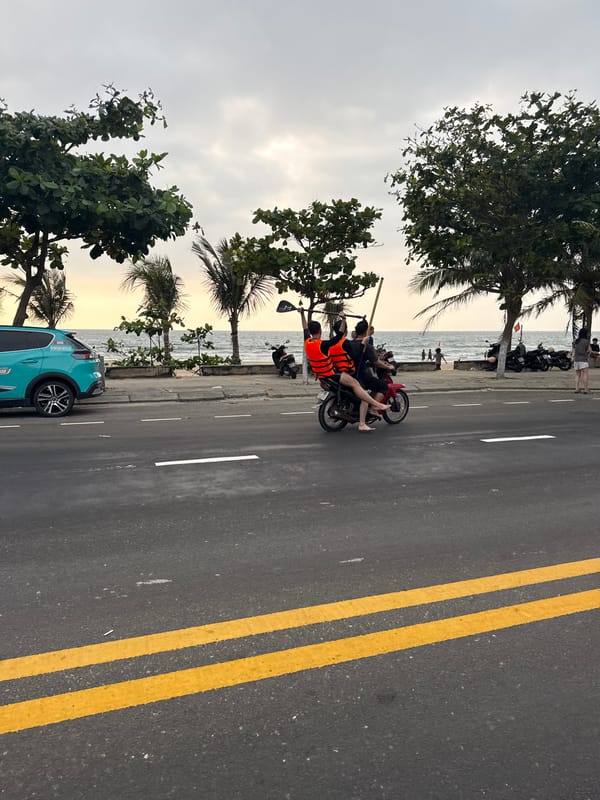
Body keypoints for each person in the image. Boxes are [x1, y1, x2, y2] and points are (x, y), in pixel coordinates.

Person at [299, 309, 390, 424]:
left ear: (311, 332)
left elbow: (305, 328)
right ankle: (376, 405)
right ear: (320, 331)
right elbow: (340, 335)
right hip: (331, 374)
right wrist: (343, 319)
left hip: (321, 376)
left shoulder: (307, 342)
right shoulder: (324, 345)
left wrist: (302, 314)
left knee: (354, 384)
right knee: (356, 384)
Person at [345, 319, 394, 413]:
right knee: (383, 386)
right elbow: (376, 362)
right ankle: (373, 408)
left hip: (349, 374)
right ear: (365, 332)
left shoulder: (349, 344)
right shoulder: (367, 346)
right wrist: (388, 367)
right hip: (361, 375)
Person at [572, 327, 591, 393]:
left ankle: (577, 388)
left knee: (577, 375)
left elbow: (573, 350)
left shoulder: (575, 341)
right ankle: (585, 389)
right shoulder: (586, 341)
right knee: (585, 374)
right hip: (583, 360)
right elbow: (589, 350)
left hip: (576, 360)